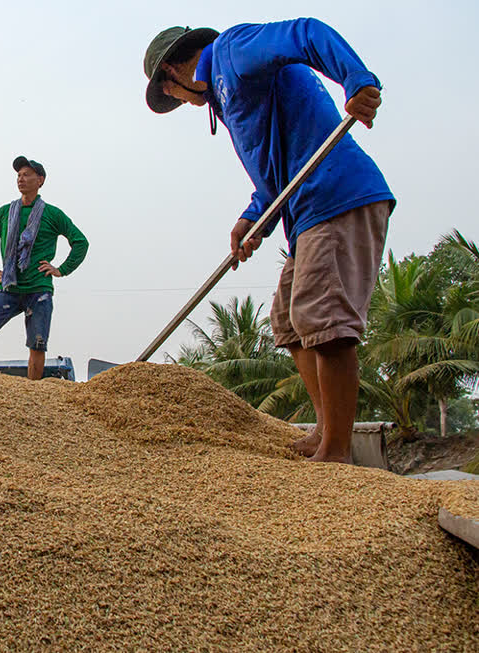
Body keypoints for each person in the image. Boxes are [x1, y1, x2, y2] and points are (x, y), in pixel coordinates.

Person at [142, 19, 395, 463]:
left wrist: (355, 79)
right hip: (304, 213)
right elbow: (275, 174)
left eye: (173, 95)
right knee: (288, 321)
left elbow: (306, 33)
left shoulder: (232, 52)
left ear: (173, 74)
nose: (180, 102)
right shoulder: (225, 95)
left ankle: (337, 451)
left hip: (336, 194)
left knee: (322, 317)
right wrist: (251, 218)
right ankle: (324, 430)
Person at [0, 156, 89, 380]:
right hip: (9, 286)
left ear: (40, 180)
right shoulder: (5, 213)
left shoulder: (52, 214)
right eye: (19, 175)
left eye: (27, 174)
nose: (21, 178)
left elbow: (80, 242)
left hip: (38, 288)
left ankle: (33, 392)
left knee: (37, 344)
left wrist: (61, 269)